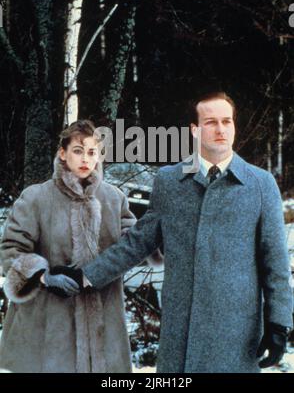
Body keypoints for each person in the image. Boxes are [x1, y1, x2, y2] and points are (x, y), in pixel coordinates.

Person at [56, 92, 293, 373]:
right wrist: (86, 275)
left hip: (236, 333)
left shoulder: (260, 184)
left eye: (227, 121)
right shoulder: (170, 181)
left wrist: (279, 323)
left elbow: (275, 262)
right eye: (211, 122)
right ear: (195, 129)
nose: (221, 130)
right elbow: (137, 242)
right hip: (181, 331)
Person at [0, 120, 136, 373]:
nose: (85, 158)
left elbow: (134, 246)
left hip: (103, 325)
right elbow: (11, 248)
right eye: (77, 150)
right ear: (62, 153)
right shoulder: (36, 197)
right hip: (47, 325)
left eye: (92, 152)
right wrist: (42, 276)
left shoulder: (115, 199)